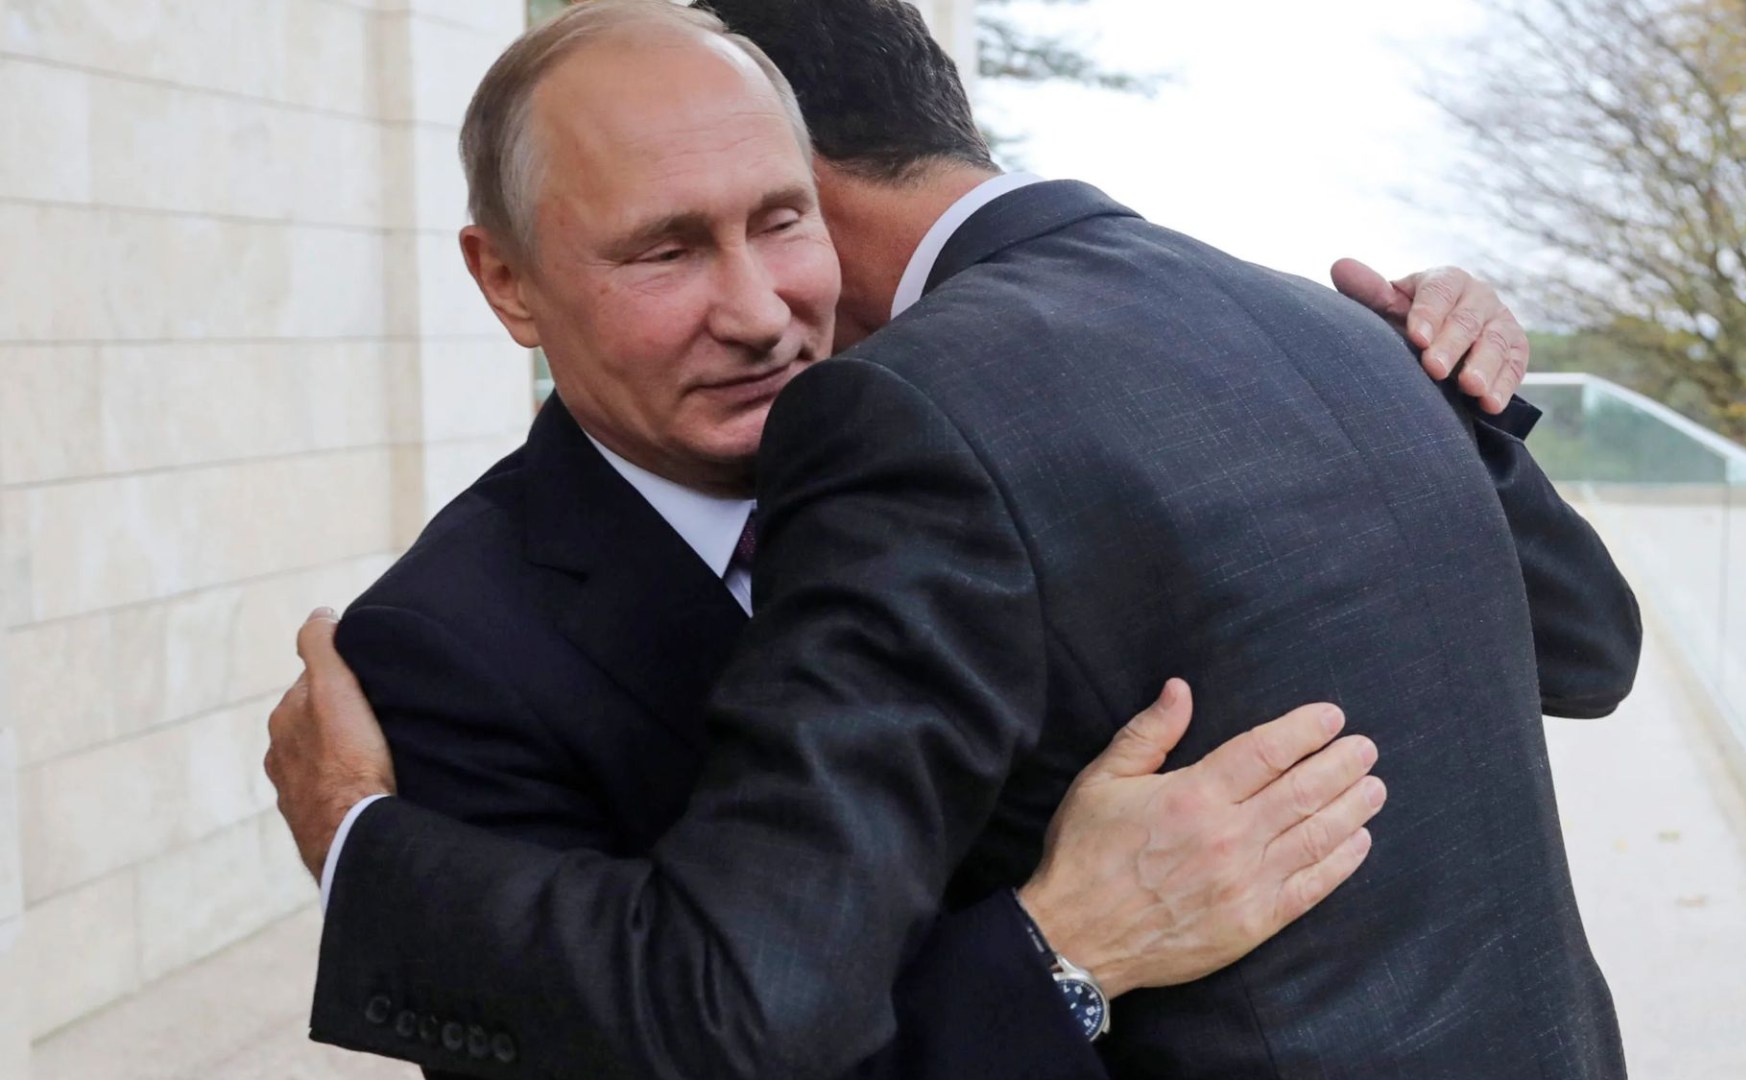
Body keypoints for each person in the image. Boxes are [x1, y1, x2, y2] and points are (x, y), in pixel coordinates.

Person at [265, 2, 1642, 1077]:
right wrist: (1065, 952)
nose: (760, 310)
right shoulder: (445, 649)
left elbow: (1581, 645)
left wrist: (1445, 391)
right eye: (665, 251)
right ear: (506, 280)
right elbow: (709, 1022)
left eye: (782, 222)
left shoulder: (969, 436)